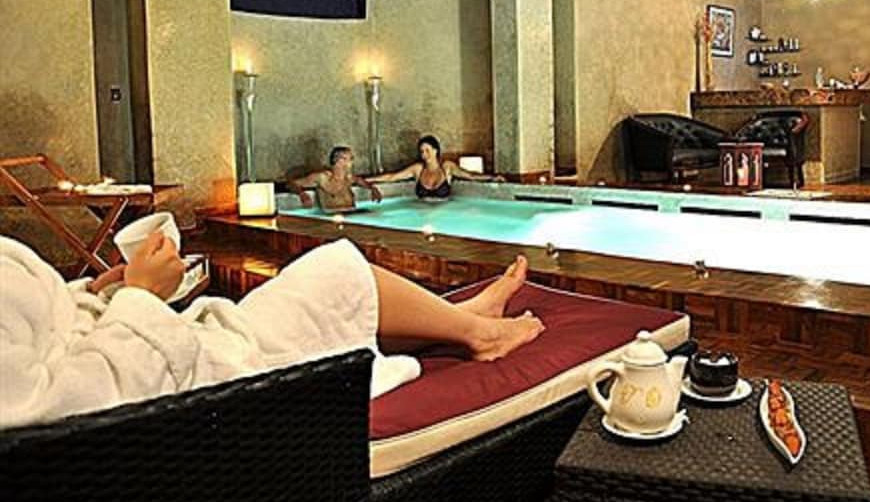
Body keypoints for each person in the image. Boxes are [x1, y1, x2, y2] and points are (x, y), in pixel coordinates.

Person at [0, 233, 543, 430]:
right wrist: (140, 297)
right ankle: (481, 335)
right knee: (333, 272)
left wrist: (95, 293)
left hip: (176, 353)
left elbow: (45, 333)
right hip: (194, 392)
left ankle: (466, 316)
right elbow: (67, 407)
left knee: (330, 304)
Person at [365, 135, 502, 201]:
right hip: (421, 211)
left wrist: (492, 177)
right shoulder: (418, 169)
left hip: (444, 212)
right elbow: (392, 177)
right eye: (422, 151)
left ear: (436, 150)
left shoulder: (447, 167)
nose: (424, 155)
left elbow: (471, 175)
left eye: (427, 150)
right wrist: (366, 180)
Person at [289, 146, 383, 211]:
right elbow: (291, 183)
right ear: (340, 161)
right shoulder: (322, 177)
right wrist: (302, 194)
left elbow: (360, 181)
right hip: (331, 218)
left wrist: (372, 188)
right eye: (350, 158)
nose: (352, 161)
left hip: (351, 216)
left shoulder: (348, 177)